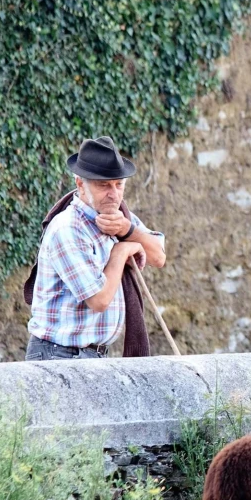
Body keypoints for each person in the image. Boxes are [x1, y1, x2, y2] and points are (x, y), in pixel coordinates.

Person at [23, 136, 167, 360]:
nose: (114, 194)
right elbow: (99, 300)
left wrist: (128, 230)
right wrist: (120, 252)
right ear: (80, 184)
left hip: (94, 355)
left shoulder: (120, 216)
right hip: (58, 354)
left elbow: (158, 257)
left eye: (119, 184)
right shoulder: (68, 228)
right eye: (104, 185)